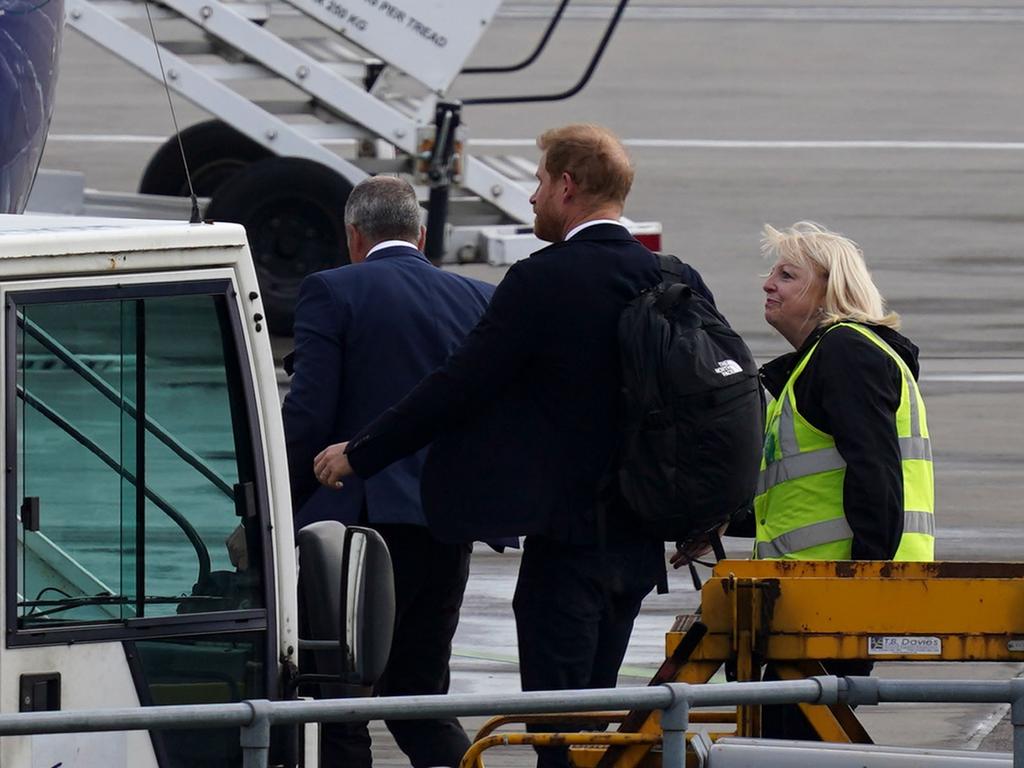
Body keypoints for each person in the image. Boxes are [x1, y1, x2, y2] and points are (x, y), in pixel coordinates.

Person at [312, 123, 716, 768]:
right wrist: (701, 516)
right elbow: (705, 407)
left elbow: (455, 388)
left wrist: (361, 452)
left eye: (536, 182)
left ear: (566, 185)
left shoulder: (544, 280)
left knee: (556, 734)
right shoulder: (673, 276)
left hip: (569, 546)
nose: (530, 198)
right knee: (590, 724)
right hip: (639, 550)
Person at [282, 175, 496, 768]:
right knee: (420, 700)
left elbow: (308, 413)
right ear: (422, 234)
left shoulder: (332, 290)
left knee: (336, 705)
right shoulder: (475, 298)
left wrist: (275, 500)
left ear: (353, 235)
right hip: (445, 528)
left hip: (359, 534)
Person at [754, 220, 935, 737]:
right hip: (818, 599)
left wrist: (862, 585)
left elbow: (875, 473)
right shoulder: (823, 359)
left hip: (838, 598)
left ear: (828, 291)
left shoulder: (845, 352)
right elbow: (805, 489)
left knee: (791, 737)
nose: (768, 284)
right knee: (791, 734)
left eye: (787, 274)